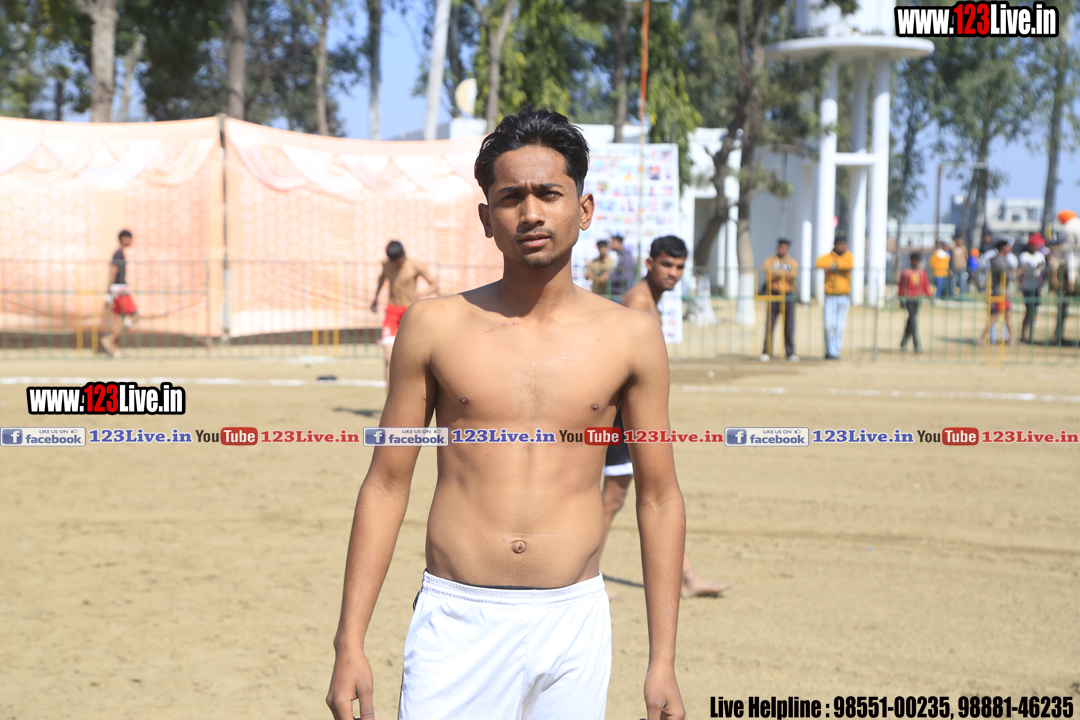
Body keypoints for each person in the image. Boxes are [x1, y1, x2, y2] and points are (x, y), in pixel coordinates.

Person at [328, 107, 686, 720]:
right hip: (457, 621)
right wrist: (349, 641)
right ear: (486, 218)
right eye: (511, 197)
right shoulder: (434, 326)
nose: (531, 213)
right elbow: (386, 483)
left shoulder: (632, 337)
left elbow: (658, 496)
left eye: (549, 193)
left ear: (585, 209)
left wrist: (663, 661)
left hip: (573, 621)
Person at [600, 234, 734, 603]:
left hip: (636, 420)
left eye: (679, 267)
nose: (673, 272)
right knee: (614, 499)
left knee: (657, 493)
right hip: (624, 421)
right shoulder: (639, 302)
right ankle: (583, 577)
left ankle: (686, 577)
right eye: (667, 265)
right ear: (649, 264)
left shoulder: (650, 300)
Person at [370, 240, 438, 383]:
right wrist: (375, 298)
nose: (395, 264)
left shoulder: (415, 265)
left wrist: (419, 294)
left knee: (415, 359)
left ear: (404, 255)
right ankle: (390, 395)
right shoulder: (386, 264)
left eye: (398, 261)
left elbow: (434, 284)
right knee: (388, 358)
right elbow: (382, 278)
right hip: (392, 312)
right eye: (393, 262)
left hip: (410, 314)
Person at [100, 229, 137, 358]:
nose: (131, 241)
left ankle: (114, 349)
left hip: (120, 288)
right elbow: (113, 271)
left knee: (119, 320)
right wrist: (109, 291)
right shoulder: (118, 254)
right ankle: (109, 339)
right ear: (123, 238)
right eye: (129, 238)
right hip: (119, 289)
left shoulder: (120, 253)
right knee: (133, 316)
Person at [815, 235, 853, 360]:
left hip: (844, 297)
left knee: (839, 326)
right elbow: (819, 263)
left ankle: (835, 351)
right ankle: (830, 350)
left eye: (844, 244)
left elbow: (848, 265)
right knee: (829, 325)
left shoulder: (848, 256)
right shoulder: (829, 256)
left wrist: (833, 266)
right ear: (835, 245)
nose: (842, 246)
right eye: (840, 244)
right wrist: (835, 264)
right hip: (830, 297)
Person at [760, 238, 798, 362]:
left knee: (789, 326)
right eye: (781, 247)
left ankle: (790, 353)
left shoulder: (792, 262)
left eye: (786, 248)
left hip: (788, 295)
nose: (783, 250)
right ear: (777, 248)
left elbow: (793, 275)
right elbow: (769, 272)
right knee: (770, 325)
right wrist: (784, 273)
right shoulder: (770, 260)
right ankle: (766, 352)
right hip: (773, 295)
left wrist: (779, 273)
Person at [978, 240, 1016, 346]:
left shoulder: (1004, 259)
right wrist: (1014, 273)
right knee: (995, 315)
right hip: (1000, 292)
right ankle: (982, 338)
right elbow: (1008, 275)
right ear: (1002, 248)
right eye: (1007, 246)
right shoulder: (997, 260)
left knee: (1008, 315)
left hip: (1005, 292)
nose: (1009, 248)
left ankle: (1012, 339)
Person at [897, 252, 932, 354]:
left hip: (917, 299)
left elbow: (925, 285)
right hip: (908, 298)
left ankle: (903, 343)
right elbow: (901, 286)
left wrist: (930, 296)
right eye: (915, 260)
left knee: (911, 320)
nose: (916, 262)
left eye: (918, 260)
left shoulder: (922, 272)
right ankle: (917, 345)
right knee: (913, 320)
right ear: (911, 260)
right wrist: (900, 298)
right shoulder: (906, 272)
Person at [1018, 233, 1047, 343]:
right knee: (1028, 311)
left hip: (1037, 287)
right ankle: (1023, 335)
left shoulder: (1040, 255)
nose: (1037, 247)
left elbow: (1043, 268)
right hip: (1027, 287)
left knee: (1034, 312)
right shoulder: (1024, 256)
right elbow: (1028, 269)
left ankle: (1031, 336)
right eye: (1036, 244)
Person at [609, 234, 636, 298]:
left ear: (620, 243)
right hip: (618, 293)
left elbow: (627, 277)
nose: (611, 245)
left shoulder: (626, 256)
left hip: (622, 295)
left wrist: (610, 278)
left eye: (613, 242)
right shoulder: (619, 256)